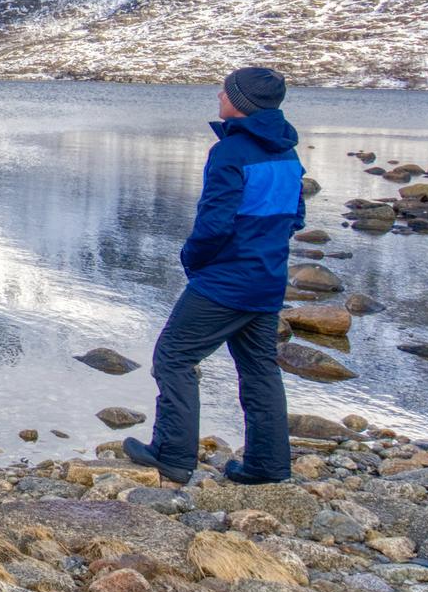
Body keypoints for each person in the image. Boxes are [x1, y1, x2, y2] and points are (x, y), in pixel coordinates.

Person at [124, 66, 305, 485]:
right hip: (267, 278)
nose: (218, 95)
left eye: (224, 91)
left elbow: (215, 223)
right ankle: (268, 464)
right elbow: (295, 217)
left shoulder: (230, 152)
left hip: (226, 280)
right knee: (260, 368)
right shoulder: (288, 152)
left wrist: (193, 260)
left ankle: (171, 455)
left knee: (173, 357)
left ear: (240, 103)